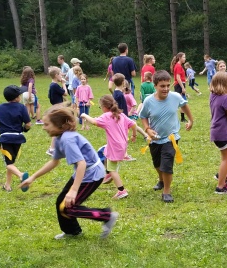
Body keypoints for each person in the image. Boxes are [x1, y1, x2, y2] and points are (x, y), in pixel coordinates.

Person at [20, 107, 118, 240]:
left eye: (47, 124)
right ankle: (72, 232)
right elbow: (54, 162)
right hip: (84, 173)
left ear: (60, 125)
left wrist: (73, 190)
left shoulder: (67, 140)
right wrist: (33, 177)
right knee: (61, 201)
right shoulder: (60, 138)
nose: (44, 128)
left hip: (92, 175)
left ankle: (107, 216)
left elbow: (81, 164)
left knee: (68, 208)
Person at [139, 70, 194, 203]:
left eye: (168, 85)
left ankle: (167, 191)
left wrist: (191, 120)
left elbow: (184, 105)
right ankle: (161, 180)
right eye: (162, 86)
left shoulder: (175, 97)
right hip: (155, 139)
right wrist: (147, 129)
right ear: (155, 86)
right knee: (157, 164)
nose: (166, 89)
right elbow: (143, 116)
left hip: (171, 138)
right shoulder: (148, 101)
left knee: (167, 164)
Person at [81, 95, 137, 199]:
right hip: (122, 146)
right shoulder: (121, 115)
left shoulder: (106, 116)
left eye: (100, 107)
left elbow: (93, 122)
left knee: (113, 169)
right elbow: (134, 124)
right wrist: (134, 135)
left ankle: (121, 190)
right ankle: (108, 173)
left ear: (105, 106)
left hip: (115, 147)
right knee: (104, 151)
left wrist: (84, 114)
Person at [0, 85, 32, 192]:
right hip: (18, 138)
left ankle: (21, 175)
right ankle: (7, 185)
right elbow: (28, 124)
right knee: (11, 163)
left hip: (5, 139)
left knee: (9, 163)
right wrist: (23, 129)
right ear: (17, 97)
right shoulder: (21, 107)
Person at [171, 52, 188, 122]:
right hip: (179, 85)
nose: (185, 59)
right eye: (184, 57)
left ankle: (182, 118)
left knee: (181, 101)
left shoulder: (179, 66)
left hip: (180, 84)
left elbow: (179, 77)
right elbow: (178, 78)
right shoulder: (178, 66)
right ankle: (182, 118)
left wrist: (184, 81)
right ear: (180, 58)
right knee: (181, 102)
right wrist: (183, 88)